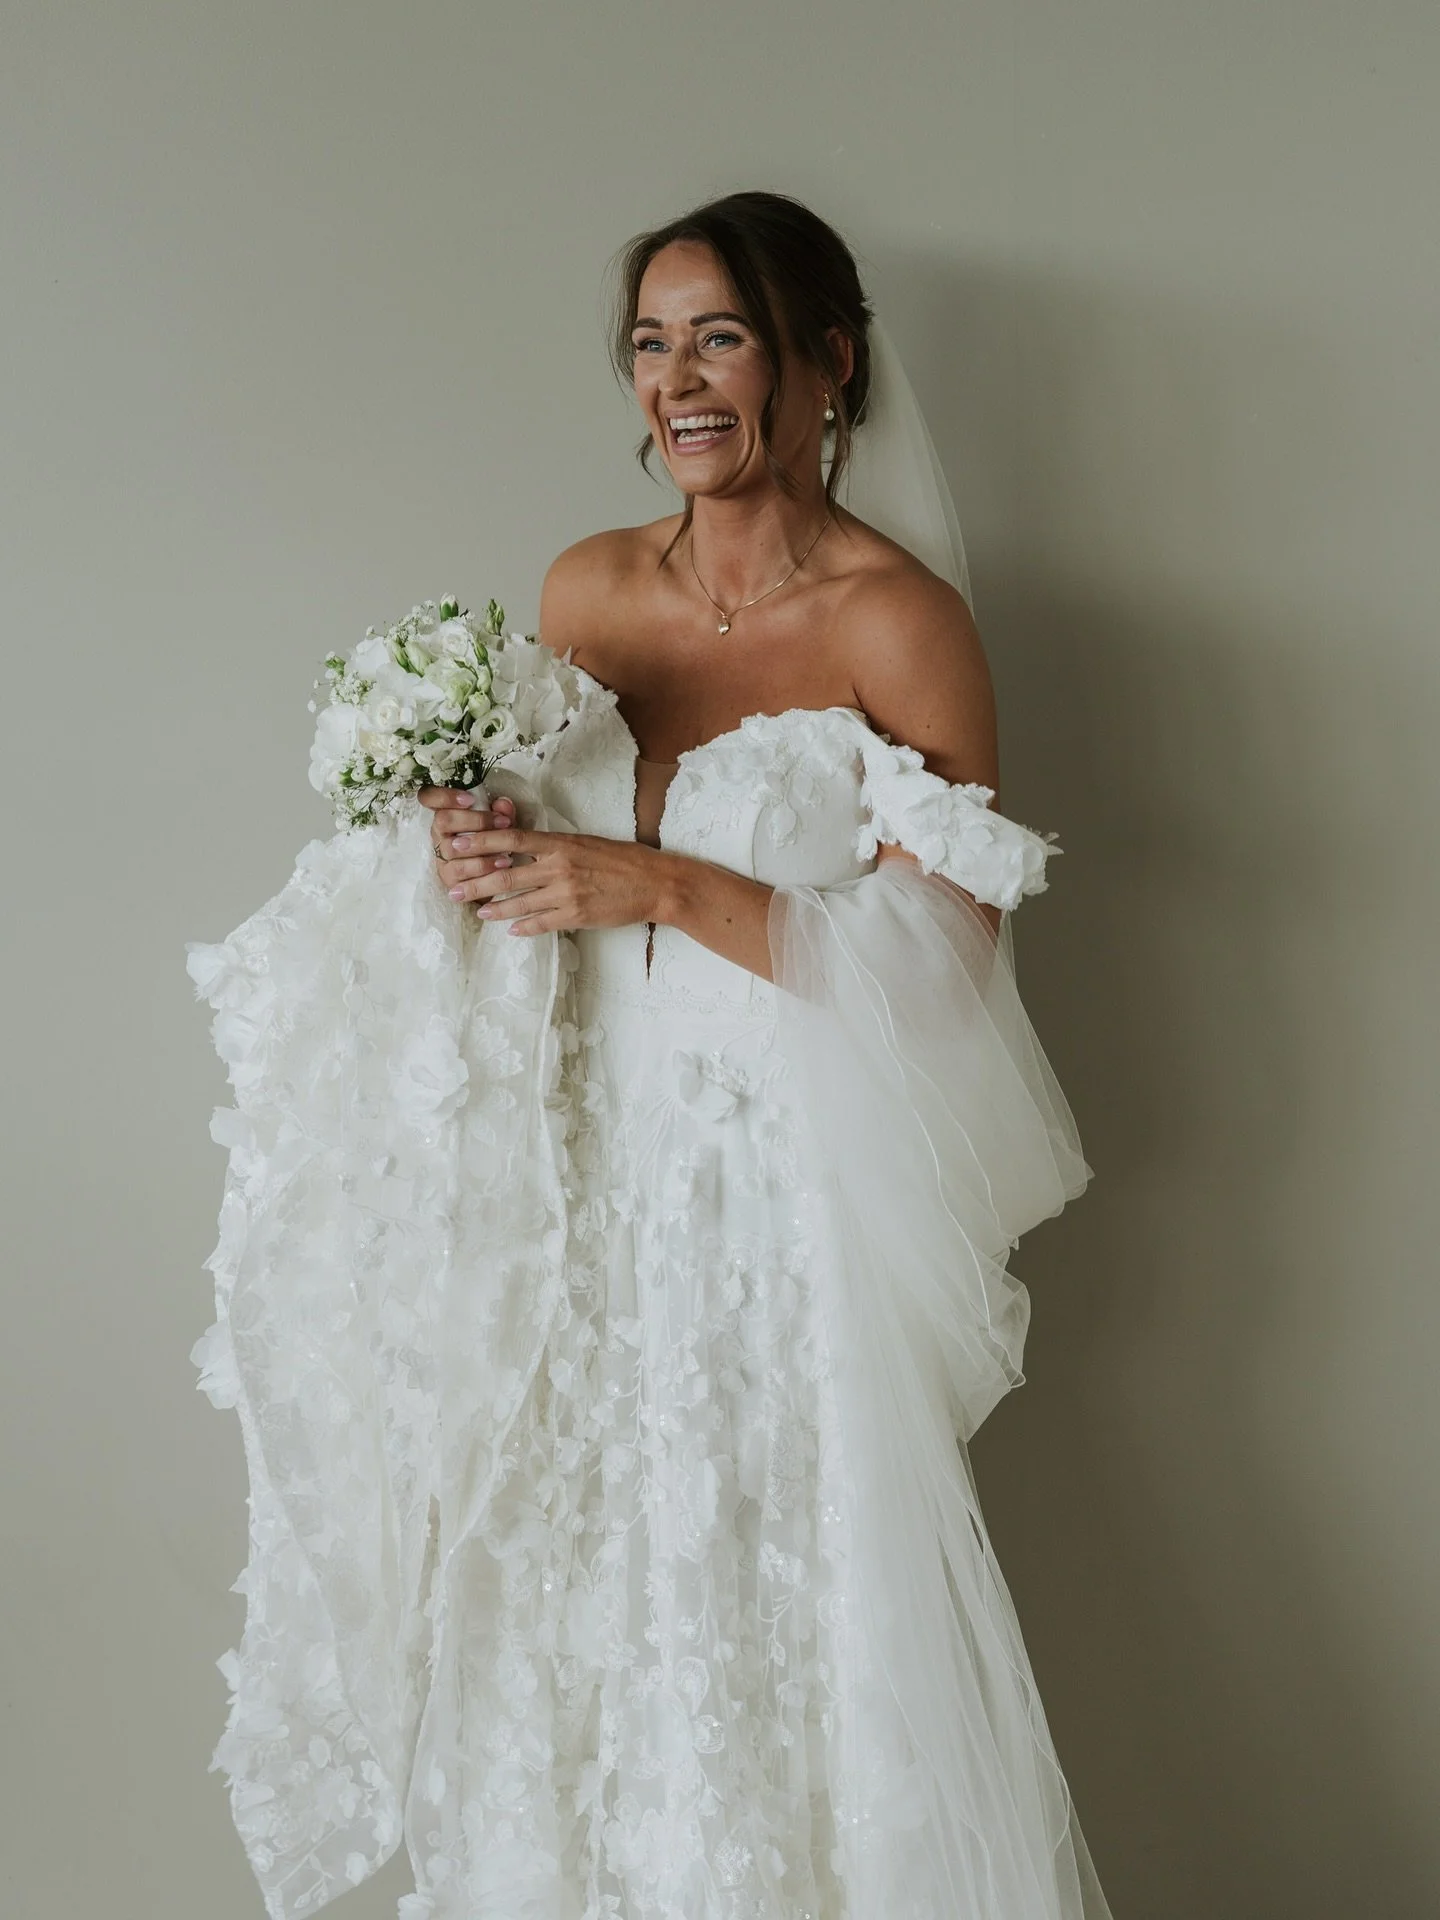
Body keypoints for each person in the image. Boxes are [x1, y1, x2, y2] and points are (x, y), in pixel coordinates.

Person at [188, 190, 1112, 1919]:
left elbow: (941, 973)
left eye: (724, 336)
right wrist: (463, 859)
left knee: (763, 1602)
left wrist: (665, 882)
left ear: (827, 363)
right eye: (650, 340)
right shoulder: (585, 592)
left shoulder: (899, 624)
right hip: (580, 1181)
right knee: (559, 1604)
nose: (679, 380)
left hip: (774, 1210)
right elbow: (540, 883)